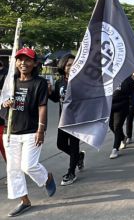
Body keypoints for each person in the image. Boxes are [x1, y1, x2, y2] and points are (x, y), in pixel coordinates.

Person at [2, 48, 56, 217]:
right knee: (13, 169)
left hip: (32, 131)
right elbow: (2, 99)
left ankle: (46, 178)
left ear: (34, 63)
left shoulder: (39, 83)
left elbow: (42, 106)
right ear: (15, 62)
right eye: (20, 60)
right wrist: (5, 103)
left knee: (28, 166)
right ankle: (24, 200)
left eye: (27, 60)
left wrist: (41, 129)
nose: (23, 63)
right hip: (10, 131)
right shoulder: (10, 81)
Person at [48, 53, 85, 186]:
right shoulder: (60, 82)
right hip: (63, 119)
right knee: (61, 144)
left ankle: (71, 172)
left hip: (77, 119)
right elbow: (56, 99)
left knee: (74, 146)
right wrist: (49, 92)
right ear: (63, 66)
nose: (72, 67)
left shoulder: (82, 80)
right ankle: (79, 157)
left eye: (74, 64)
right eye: (69, 64)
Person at [109, 75, 134, 159]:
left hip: (122, 106)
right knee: (111, 126)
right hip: (109, 106)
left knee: (117, 126)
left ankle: (115, 148)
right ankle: (122, 137)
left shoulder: (128, 79)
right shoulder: (108, 77)